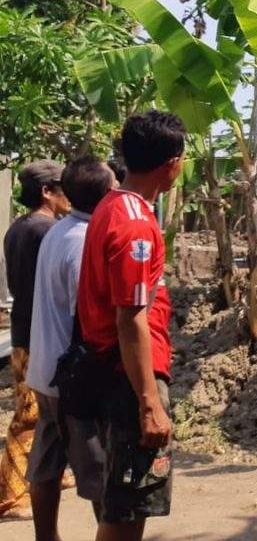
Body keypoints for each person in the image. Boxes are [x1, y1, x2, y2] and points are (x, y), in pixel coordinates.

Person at [77, 110, 185, 539]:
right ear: (171, 162)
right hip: (129, 379)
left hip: (114, 372)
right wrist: (149, 403)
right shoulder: (136, 226)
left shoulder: (111, 206)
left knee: (124, 508)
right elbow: (131, 317)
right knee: (127, 512)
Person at [25, 157, 114, 541]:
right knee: (99, 471)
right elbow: (88, 313)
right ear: (105, 195)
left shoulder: (58, 231)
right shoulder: (83, 240)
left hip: (45, 369)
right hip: (72, 377)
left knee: (46, 463)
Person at [0, 160, 69, 520]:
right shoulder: (46, 231)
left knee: (43, 413)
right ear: (46, 192)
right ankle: (10, 496)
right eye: (63, 188)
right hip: (37, 336)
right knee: (29, 416)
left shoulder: (19, 227)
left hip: (24, 332)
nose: (69, 196)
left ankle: (50, 475)